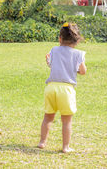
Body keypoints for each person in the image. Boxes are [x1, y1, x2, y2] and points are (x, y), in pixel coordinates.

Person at [37, 22, 87, 153]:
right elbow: (82, 71)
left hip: (51, 87)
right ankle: (65, 147)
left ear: (60, 38)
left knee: (48, 117)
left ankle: (42, 142)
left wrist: (48, 61)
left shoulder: (54, 50)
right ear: (77, 41)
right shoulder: (78, 54)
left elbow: (52, 65)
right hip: (66, 89)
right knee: (66, 121)